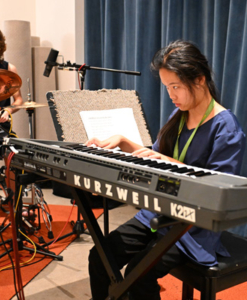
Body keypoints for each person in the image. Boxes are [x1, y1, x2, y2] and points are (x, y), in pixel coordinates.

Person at [86, 40, 246, 300]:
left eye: (176, 87)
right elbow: (155, 156)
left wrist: (166, 161)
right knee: (101, 256)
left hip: (193, 225)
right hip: (160, 211)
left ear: (199, 80)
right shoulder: (179, 115)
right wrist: (123, 141)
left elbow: (220, 187)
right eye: (167, 87)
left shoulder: (226, 127)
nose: (171, 95)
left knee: (139, 274)